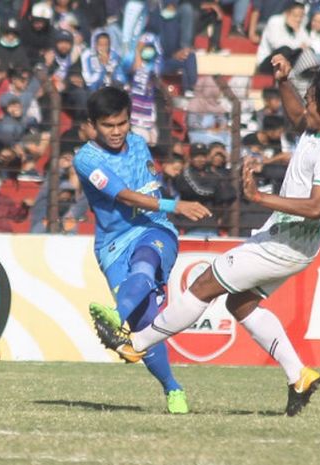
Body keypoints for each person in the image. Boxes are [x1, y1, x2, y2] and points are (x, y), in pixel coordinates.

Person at [91, 54, 320, 416]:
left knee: (206, 283)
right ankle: (298, 375)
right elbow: (298, 116)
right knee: (240, 303)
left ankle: (137, 344)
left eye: (312, 98)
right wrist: (284, 81)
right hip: (290, 240)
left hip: (286, 242)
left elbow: (317, 206)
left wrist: (258, 197)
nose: (306, 102)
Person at [73, 86, 211, 414]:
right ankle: (172, 388)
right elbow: (123, 196)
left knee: (145, 265)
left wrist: (167, 210)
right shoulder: (86, 160)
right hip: (112, 245)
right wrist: (176, 204)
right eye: (108, 125)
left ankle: (115, 316)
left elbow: (147, 186)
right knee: (145, 328)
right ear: (93, 125)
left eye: (122, 123)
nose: (117, 131)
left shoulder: (137, 144)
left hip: (154, 229)